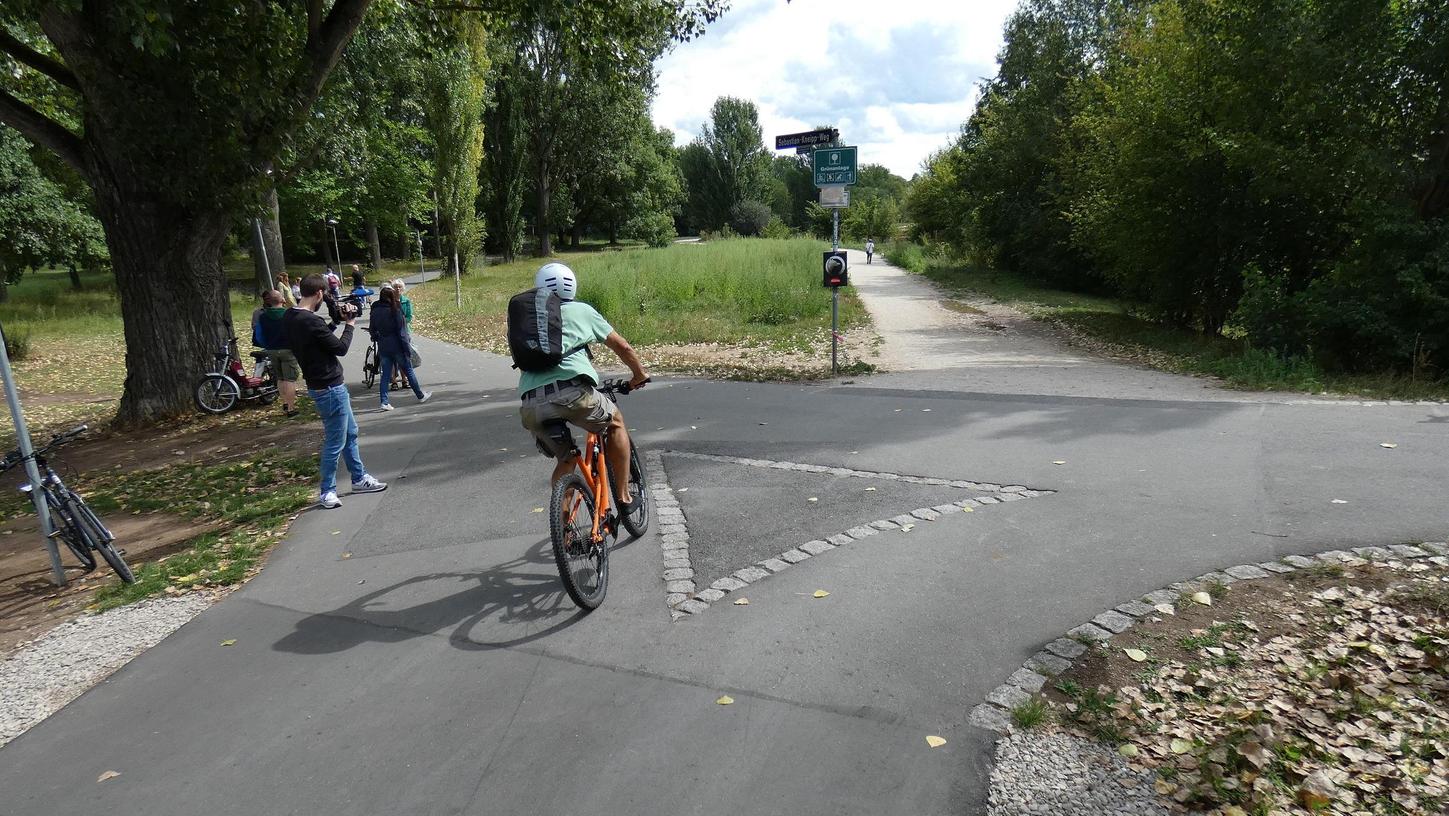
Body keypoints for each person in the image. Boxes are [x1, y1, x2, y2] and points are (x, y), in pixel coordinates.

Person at [518, 262, 648, 508]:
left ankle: (565, 530)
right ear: (572, 286)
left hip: (531, 403)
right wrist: (638, 374)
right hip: (573, 393)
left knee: (566, 460)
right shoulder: (583, 311)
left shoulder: (529, 320)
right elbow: (623, 347)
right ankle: (623, 497)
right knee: (616, 423)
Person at [284, 273, 387, 508]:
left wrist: (336, 322)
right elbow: (339, 348)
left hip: (321, 383)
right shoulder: (311, 321)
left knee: (350, 433)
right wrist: (350, 323)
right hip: (329, 387)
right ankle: (327, 491)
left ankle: (359, 478)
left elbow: (318, 339)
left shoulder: (292, 316)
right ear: (319, 293)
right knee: (335, 441)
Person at [370, 287, 431, 411]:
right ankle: (420, 395)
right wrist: (406, 349)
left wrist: (378, 338)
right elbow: (402, 333)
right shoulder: (396, 310)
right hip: (397, 346)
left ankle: (384, 402)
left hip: (384, 346)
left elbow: (372, 330)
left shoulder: (375, 311)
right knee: (408, 371)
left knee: (385, 375)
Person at [251, 290, 300, 416]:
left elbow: (259, 335)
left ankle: (284, 402)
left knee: (280, 377)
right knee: (290, 379)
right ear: (282, 300)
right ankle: (291, 408)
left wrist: (266, 345)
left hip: (272, 350)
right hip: (287, 349)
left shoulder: (262, 316)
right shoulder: (289, 315)